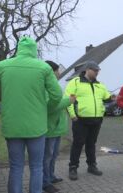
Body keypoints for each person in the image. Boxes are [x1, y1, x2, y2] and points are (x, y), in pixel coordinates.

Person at [0, 36, 63, 193]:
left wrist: (1, 80)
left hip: (13, 126)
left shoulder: (3, 66)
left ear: (18, 49)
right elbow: (57, 95)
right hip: (37, 126)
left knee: (16, 166)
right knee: (36, 166)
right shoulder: (43, 68)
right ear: (34, 50)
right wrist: (46, 108)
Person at [65, 61, 113, 180]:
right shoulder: (75, 82)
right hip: (80, 119)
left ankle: (92, 166)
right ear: (87, 70)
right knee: (78, 143)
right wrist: (72, 114)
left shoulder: (100, 84)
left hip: (96, 119)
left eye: (98, 71)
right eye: (95, 70)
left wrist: (112, 97)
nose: (97, 73)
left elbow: (106, 97)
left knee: (91, 144)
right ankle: (73, 168)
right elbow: (68, 99)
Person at [42, 61, 76, 193]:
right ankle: (45, 182)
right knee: (47, 156)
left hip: (56, 128)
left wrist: (67, 100)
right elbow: (50, 107)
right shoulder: (44, 86)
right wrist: (68, 101)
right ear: (51, 71)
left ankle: (51, 176)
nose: (59, 73)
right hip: (49, 128)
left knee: (53, 154)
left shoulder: (53, 85)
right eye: (57, 71)